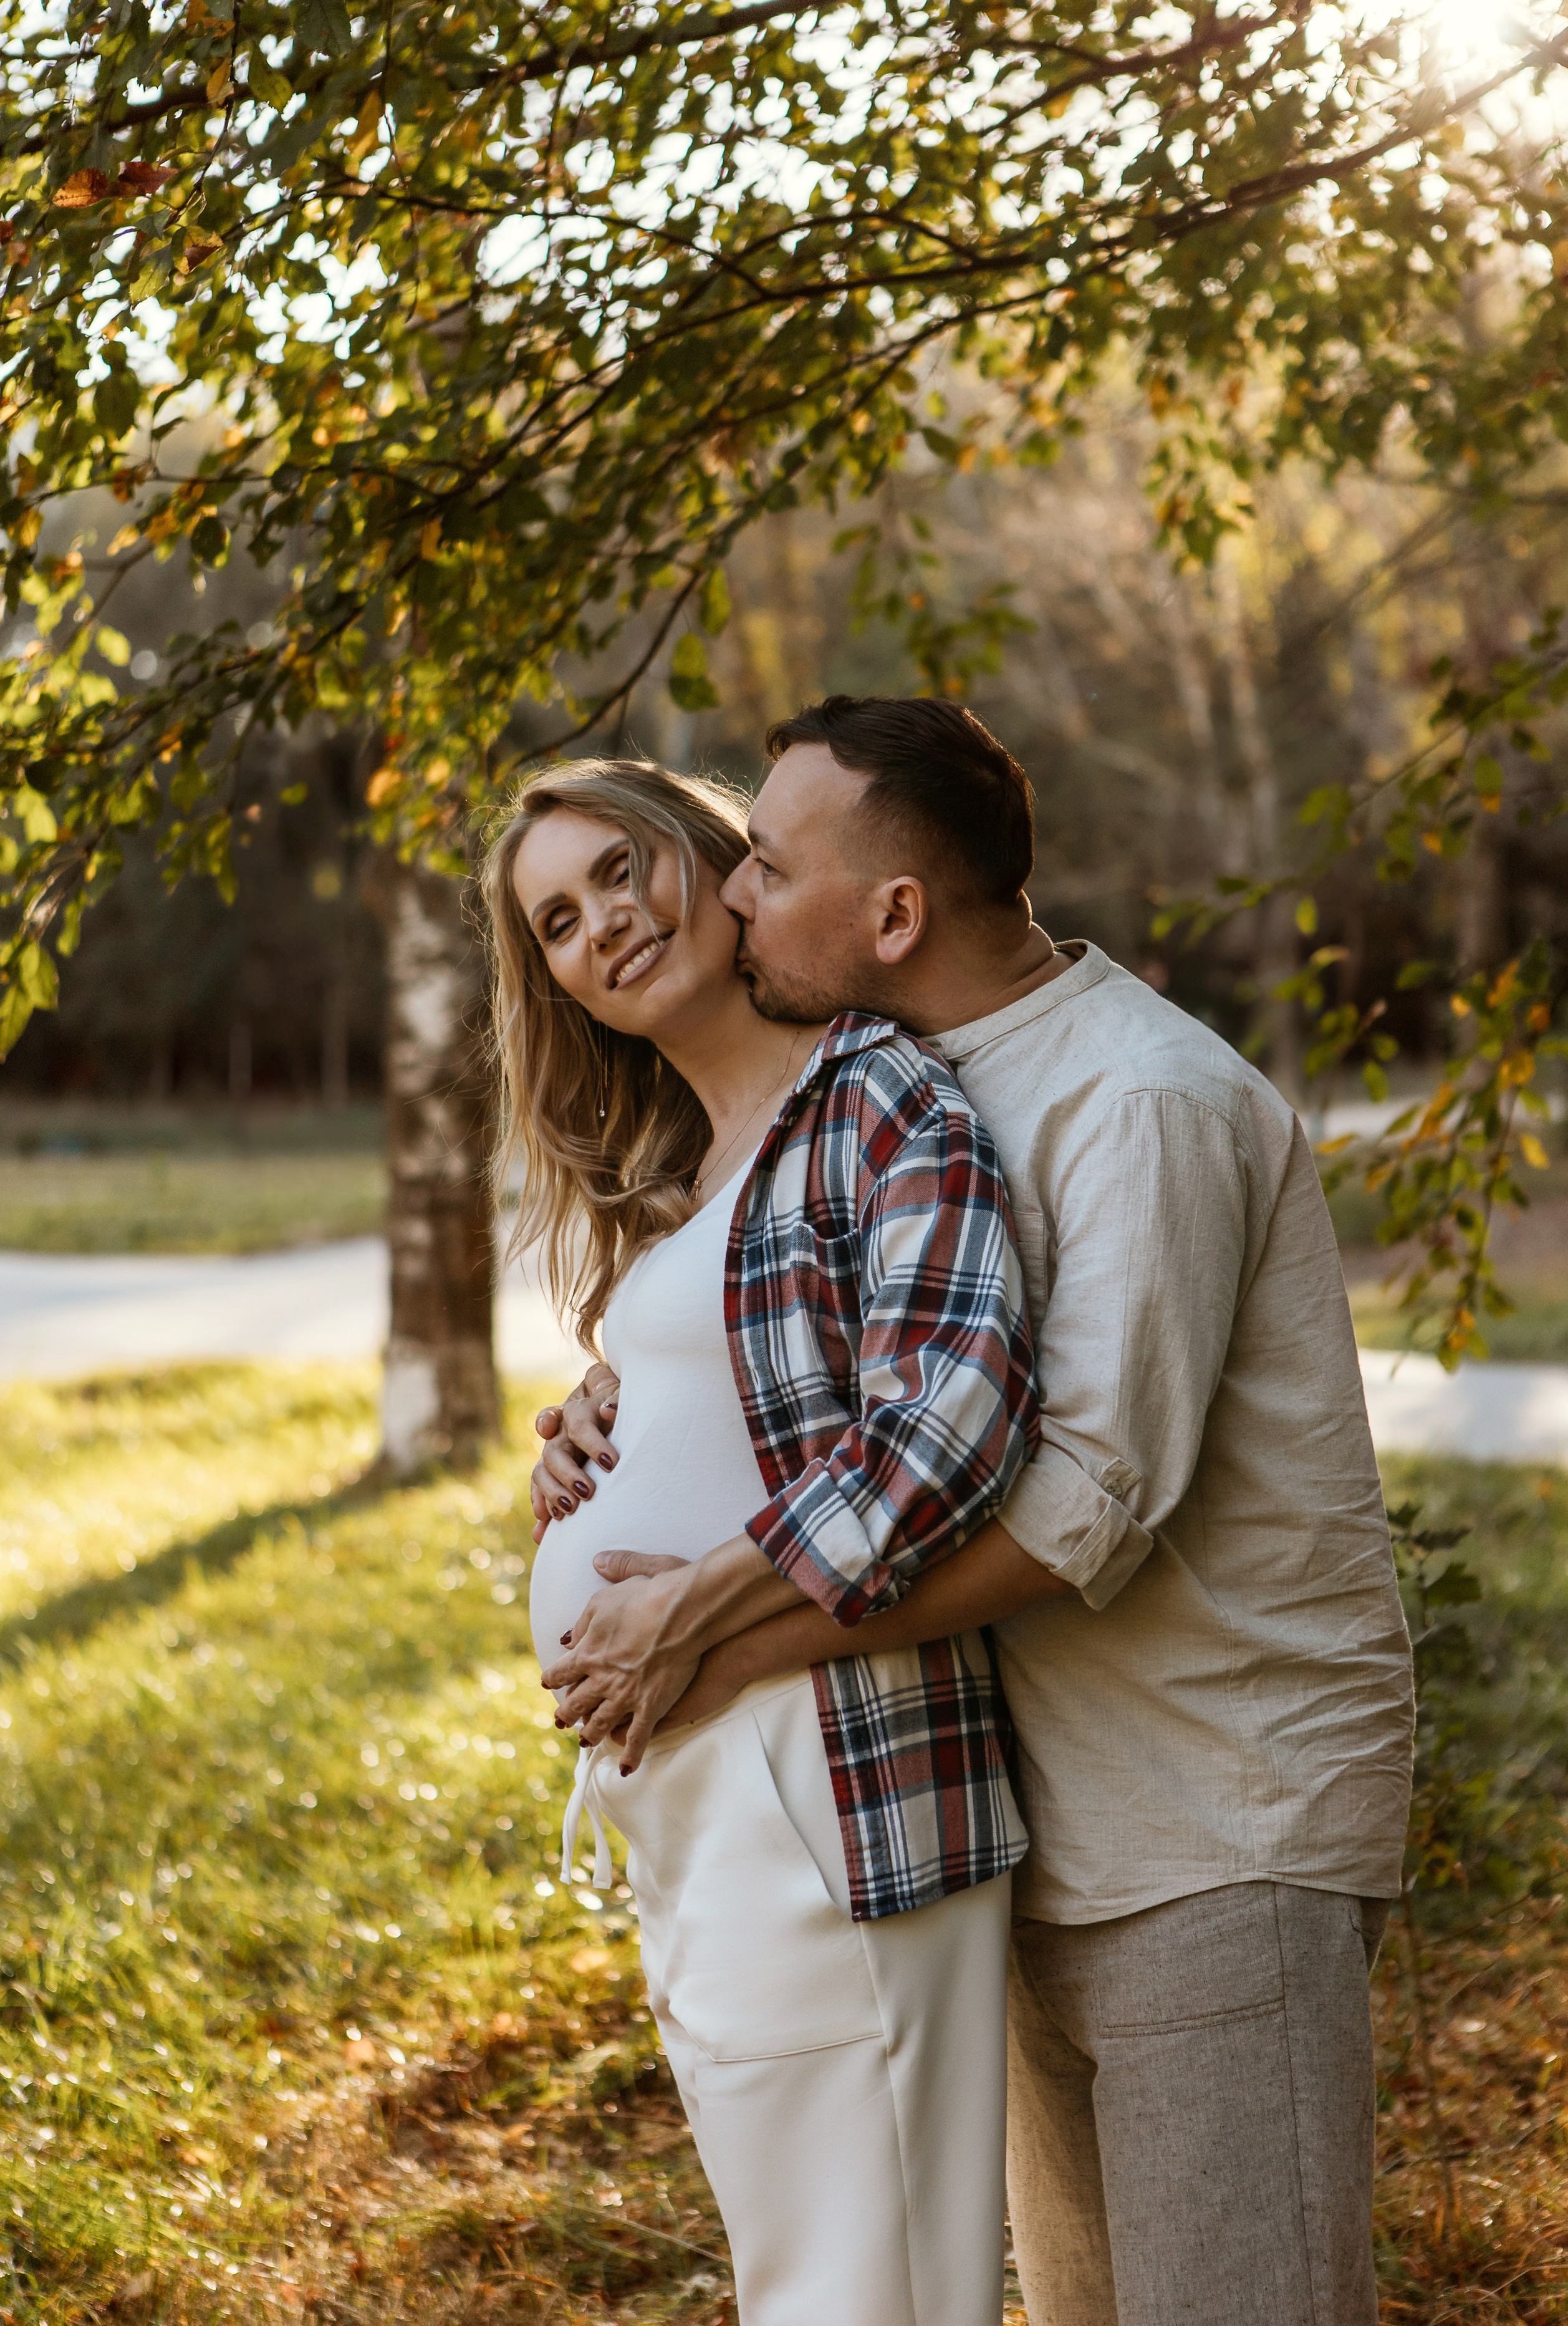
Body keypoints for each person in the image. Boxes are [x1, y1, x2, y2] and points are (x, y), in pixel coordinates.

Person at [536, 697, 1418, 2326]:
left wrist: (714, 1634)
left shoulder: (1139, 1100)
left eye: (766, 869)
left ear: (892, 916)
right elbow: (826, 1356)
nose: (724, 900)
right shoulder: (915, 1079)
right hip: (1030, 1830)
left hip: (1216, 1822)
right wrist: (621, 1403)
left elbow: (1079, 1514)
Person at [479, 755, 1045, 2326]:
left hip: (835, 1775)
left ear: (714, 863)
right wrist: (598, 1438)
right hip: (705, 1791)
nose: (599, 925)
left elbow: (947, 1424)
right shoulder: (691, 1171)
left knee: (873, 2285)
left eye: (619, 872)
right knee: (798, 2272)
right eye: (555, 922)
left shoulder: (875, 1095)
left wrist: (693, 1606)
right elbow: (755, 1414)